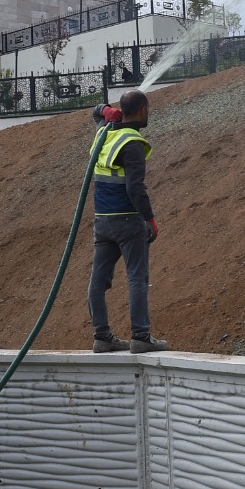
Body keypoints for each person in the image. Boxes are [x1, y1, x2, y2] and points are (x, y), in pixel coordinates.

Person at [88, 90, 171, 354]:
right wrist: (150, 219)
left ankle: (102, 337)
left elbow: (94, 113)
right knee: (137, 277)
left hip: (102, 220)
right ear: (143, 109)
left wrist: (104, 110)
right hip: (127, 220)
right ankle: (141, 336)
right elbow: (136, 188)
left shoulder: (106, 133)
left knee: (98, 280)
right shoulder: (132, 143)